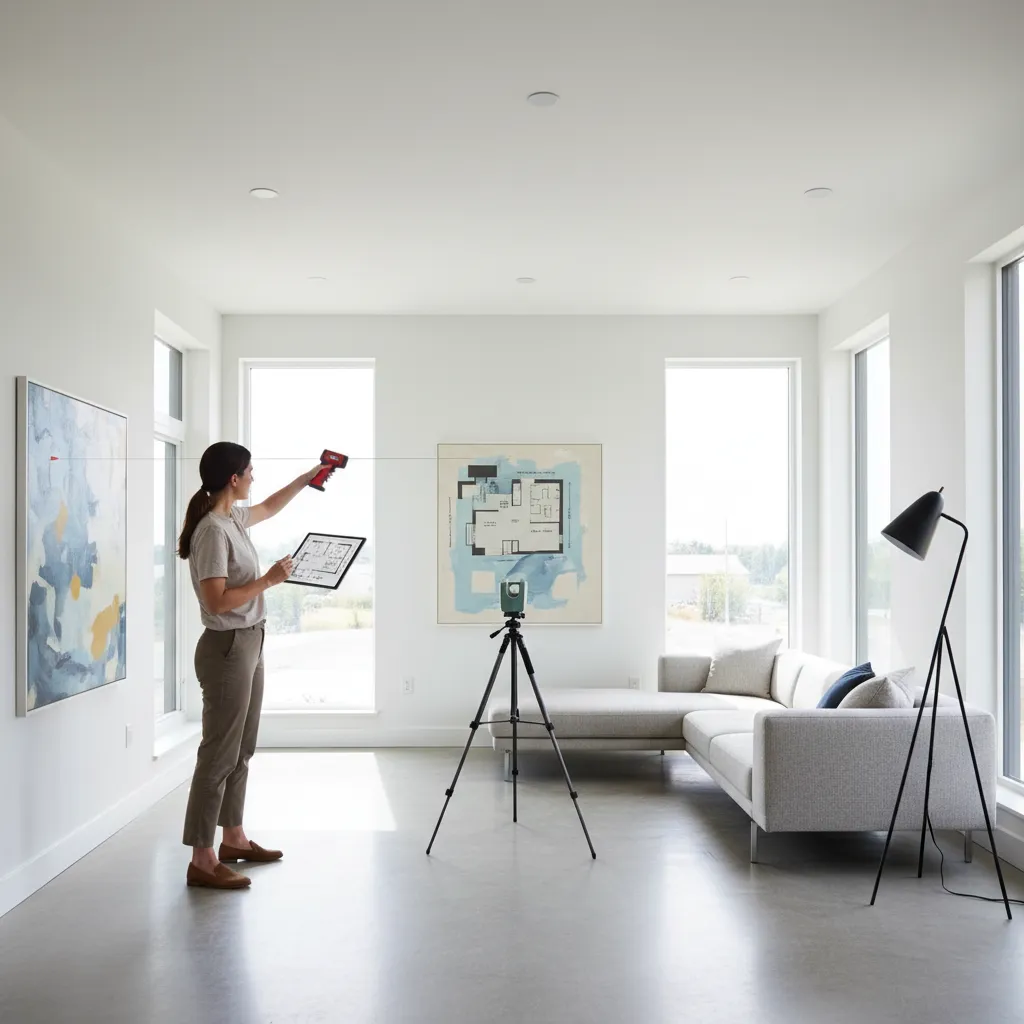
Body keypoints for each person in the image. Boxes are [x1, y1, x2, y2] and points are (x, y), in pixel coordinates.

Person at [177, 442, 331, 890]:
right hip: (227, 647)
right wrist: (268, 581)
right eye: (250, 472)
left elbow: (268, 506)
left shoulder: (233, 518)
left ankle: (235, 839)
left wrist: (308, 477)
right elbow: (216, 600)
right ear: (233, 479)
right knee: (218, 753)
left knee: (242, 748)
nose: (253, 479)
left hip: (251, 640)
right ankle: (202, 858)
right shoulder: (212, 531)